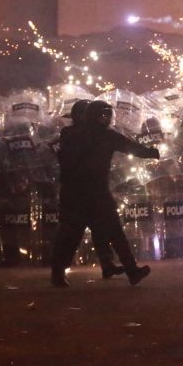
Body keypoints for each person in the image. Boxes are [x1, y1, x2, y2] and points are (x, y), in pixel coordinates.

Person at [51, 100, 159, 287]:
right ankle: (130, 270)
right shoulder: (105, 135)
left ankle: (58, 273)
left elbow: (64, 157)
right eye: (104, 114)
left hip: (76, 192)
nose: (107, 118)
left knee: (72, 235)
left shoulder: (70, 133)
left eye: (108, 114)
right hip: (93, 192)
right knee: (110, 232)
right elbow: (130, 147)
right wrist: (153, 152)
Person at [52, 100, 124, 280]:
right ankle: (58, 271)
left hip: (87, 192)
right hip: (76, 193)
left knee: (99, 229)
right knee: (72, 234)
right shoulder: (73, 133)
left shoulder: (85, 133)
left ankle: (107, 264)